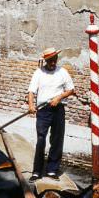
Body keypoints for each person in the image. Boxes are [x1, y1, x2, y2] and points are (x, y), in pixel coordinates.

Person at [28, 47, 75, 181]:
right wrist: (31, 105)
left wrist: (58, 98)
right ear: (46, 61)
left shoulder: (62, 72)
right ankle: (37, 171)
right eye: (50, 60)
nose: (53, 62)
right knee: (41, 139)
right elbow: (31, 91)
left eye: (54, 60)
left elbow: (71, 90)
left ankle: (52, 170)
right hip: (43, 110)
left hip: (58, 109)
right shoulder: (39, 73)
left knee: (57, 140)